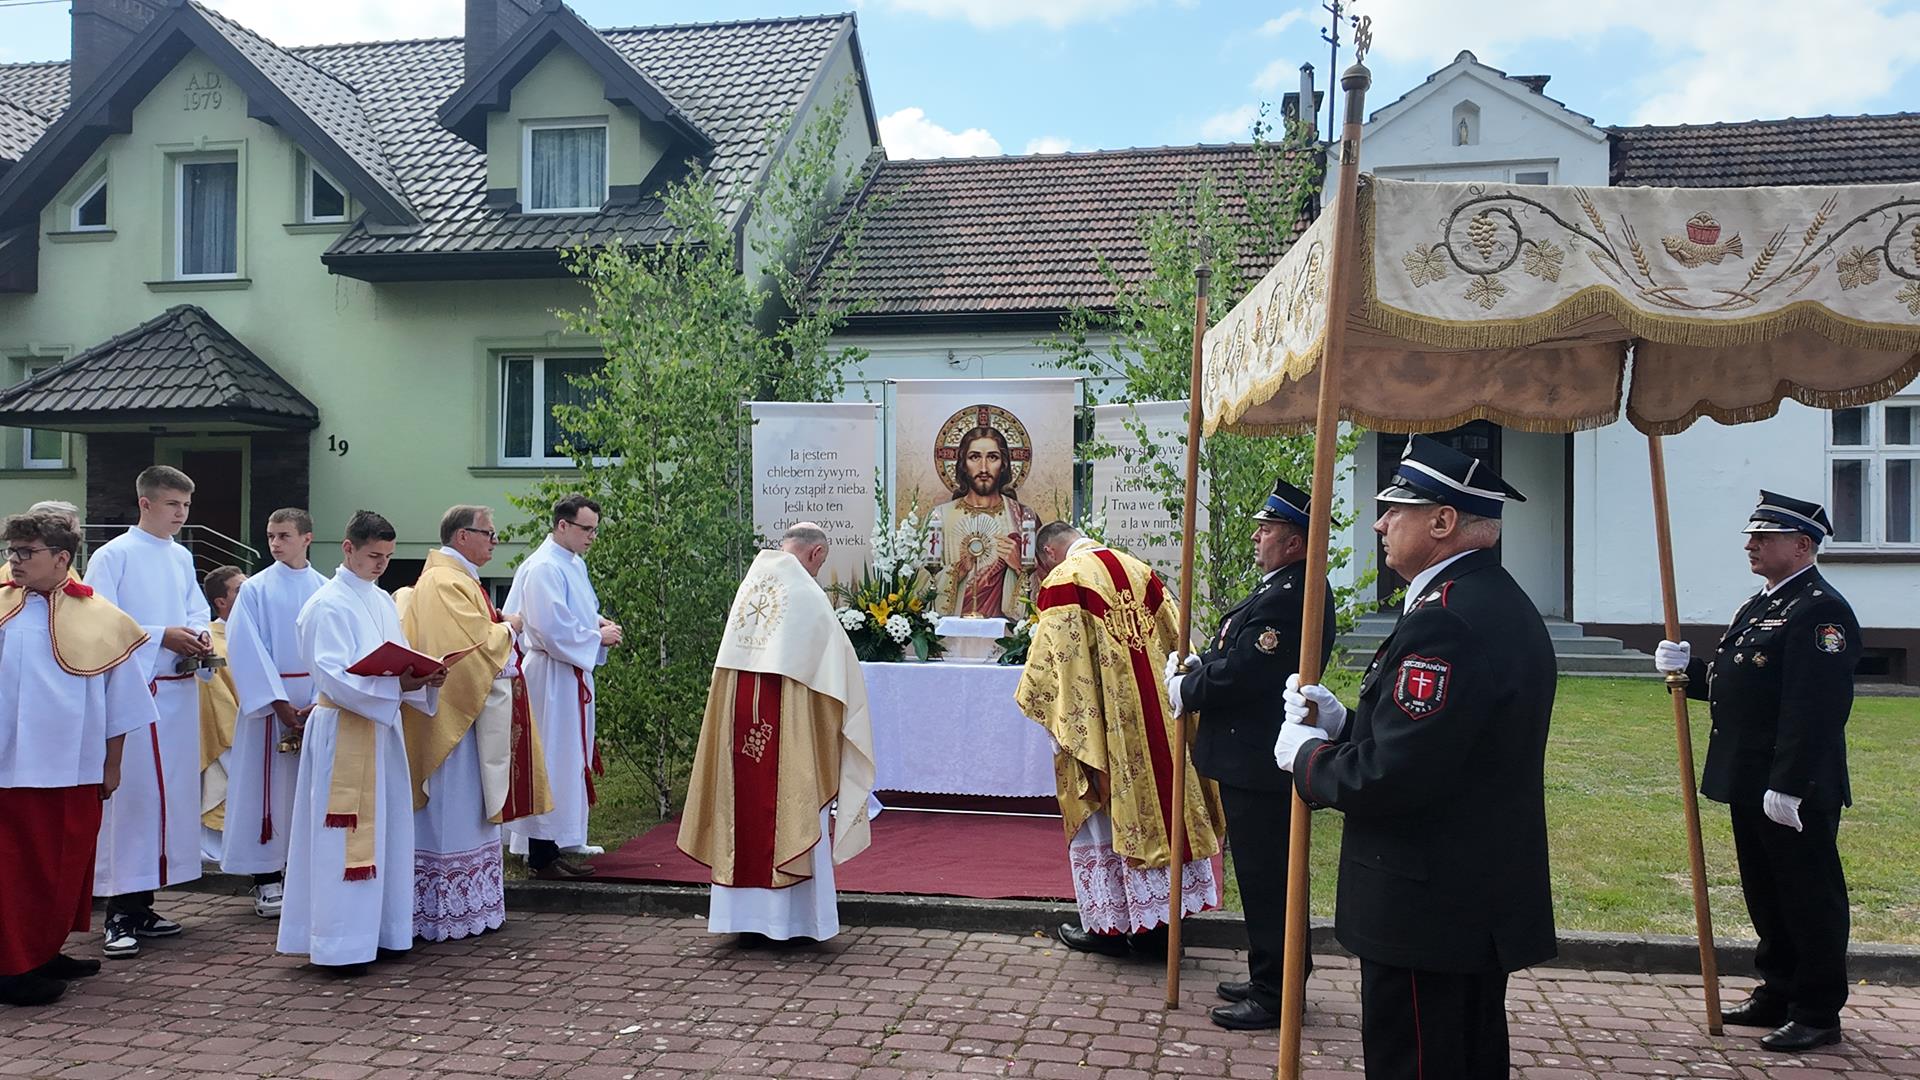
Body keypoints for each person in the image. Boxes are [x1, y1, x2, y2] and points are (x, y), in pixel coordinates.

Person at [1276, 434, 1555, 1080]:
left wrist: (1308, 759)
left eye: (1396, 509)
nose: (1380, 523)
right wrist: (1345, 724)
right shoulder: (1487, 598)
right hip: (1466, 891)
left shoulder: (1446, 618)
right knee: (1468, 1055)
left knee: (1419, 1061)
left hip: (1427, 900)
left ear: (1442, 521)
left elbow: (1395, 775)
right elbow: (1447, 740)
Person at [1653, 490, 1859, 1052]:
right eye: (1752, 536)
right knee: (1767, 893)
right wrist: (1691, 671)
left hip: (1792, 784)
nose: (1751, 545)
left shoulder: (1820, 610)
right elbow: (1745, 684)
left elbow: (1815, 708)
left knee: (1808, 898)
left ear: (1802, 545)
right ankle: (1779, 990)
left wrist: (1789, 785)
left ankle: (1817, 1010)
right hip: (1750, 778)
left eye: (1764, 537)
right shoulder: (1761, 603)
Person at [1163, 477, 1333, 1031]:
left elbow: (1248, 674)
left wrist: (1189, 688)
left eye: (1268, 528)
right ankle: (1270, 974)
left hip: (1261, 760)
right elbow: (1231, 651)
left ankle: (1276, 992)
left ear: (1296, 540)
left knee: (1268, 879)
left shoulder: (1292, 596)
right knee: (1261, 876)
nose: (1257, 536)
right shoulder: (1279, 587)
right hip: (1249, 756)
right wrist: (1201, 666)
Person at [1017, 521, 1224, 960]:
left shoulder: (1065, 581)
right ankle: (1159, 931)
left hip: (1106, 730)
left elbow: (1054, 672)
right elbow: (1177, 644)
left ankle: (1109, 928)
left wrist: (1065, 728)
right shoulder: (1140, 571)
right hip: (1159, 723)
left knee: (1107, 820)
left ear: (1048, 554)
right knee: (1164, 809)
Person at [678, 522, 876, 945]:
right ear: (816, 554)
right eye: (821, 562)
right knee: (790, 802)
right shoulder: (807, 594)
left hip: (740, 722)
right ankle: (794, 923)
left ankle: (743, 920)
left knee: (742, 806)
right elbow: (838, 676)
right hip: (787, 730)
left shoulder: (750, 587)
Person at [277, 510, 445, 974]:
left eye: (388, 557)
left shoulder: (381, 600)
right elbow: (332, 675)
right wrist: (397, 686)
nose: (381, 565)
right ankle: (340, 943)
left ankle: (384, 931)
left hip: (381, 730)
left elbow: (397, 658)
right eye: (374, 555)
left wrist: (422, 677)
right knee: (341, 839)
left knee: (388, 830)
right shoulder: (326, 605)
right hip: (343, 728)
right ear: (347, 548)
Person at [0, 512, 156, 1006]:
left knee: (67, 865)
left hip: (76, 764)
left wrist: (112, 764)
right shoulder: (2, 607)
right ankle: (11, 968)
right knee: (16, 869)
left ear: (61, 558)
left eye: (27, 552)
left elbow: (122, 700)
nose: (15, 561)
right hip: (8, 766)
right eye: (12, 551)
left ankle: (43, 950)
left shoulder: (100, 616)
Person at [398, 505, 551, 943]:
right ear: (462, 536)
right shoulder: (445, 582)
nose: (494, 541)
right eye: (489, 534)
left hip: (468, 717)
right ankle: (444, 912)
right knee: (453, 809)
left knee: (469, 808)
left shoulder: (458, 578)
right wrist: (510, 627)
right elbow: (472, 648)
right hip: (453, 721)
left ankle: (468, 905)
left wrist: (497, 625)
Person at [84, 465, 212, 959]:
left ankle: (143, 904)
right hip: (134, 693)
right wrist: (161, 635)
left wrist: (199, 635)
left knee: (167, 800)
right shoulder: (113, 555)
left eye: (186, 506)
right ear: (146, 503)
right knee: (132, 800)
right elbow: (99, 622)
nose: (181, 514)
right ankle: (117, 910)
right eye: (173, 504)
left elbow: (196, 607)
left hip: (177, 692)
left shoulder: (181, 555)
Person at [504, 495, 621, 879]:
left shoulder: (572, 563)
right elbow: (550, 627)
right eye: (586, 529)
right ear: (562, 525)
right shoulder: (543, 568)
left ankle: (564, 837)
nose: (592, 537)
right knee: (551, 758)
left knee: (570, 756)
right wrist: (596, 637)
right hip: (550, 675)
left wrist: (596, 622)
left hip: (569, 673)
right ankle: (541, 851)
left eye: (595, 530)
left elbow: (572, 613)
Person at [222, 508, 327, 917]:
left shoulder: (324, 588)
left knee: (306, 789)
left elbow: (330, 646)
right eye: (270, 536)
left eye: (284, 535)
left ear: (307, 538)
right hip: (269, 703)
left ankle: (303, 875)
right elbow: (244, 645)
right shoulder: (255, 589)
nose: (275, 543)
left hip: (314, 702)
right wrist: (278, 702)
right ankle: (266, 877)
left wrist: (319, 697)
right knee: (264, 790)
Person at [936, 426, 1039, 619]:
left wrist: (1019, 566)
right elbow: (921, 589)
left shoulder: (1023, 518)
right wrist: (959, 570)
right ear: (963, 464)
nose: (983, 468)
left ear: (1004, 464)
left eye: (992, 457)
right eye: (974, 457)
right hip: (952, 632)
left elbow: (1046, 587)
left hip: (1007, 633)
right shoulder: (940, 517)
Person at [197, 565, 245, 864]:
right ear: (221, 602)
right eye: (240, 590)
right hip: (229, 736)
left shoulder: (255, 632)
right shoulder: (211, 642)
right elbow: (216, 699)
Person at [0, 499, 79, 585]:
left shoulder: (65, 573)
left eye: (25, 552)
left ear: (61, 559)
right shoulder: (10, 575)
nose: (12, 559)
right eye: (11, 551)